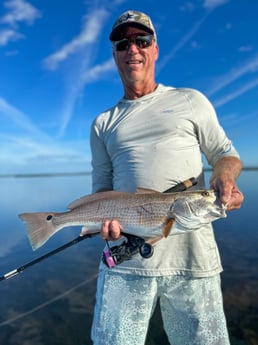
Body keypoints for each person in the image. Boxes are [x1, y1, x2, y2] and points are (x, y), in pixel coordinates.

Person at [90, 10, 244, 345]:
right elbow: (102, 187)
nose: (133, 49)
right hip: (126, 260)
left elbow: (225, 154)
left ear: (155, 49)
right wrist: (104, 222)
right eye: (123, 43)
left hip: (193, 258)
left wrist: (224, 179)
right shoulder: (103, 123)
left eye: (141, 41)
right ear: (115, 54)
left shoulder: (190, 100)